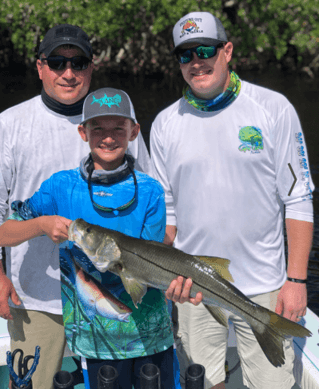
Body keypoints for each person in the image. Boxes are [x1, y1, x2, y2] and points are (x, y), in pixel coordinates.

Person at [150, 11, 314, 389]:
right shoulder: (164, 124)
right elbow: (168, 213)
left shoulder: (273, 109)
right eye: (185, 55)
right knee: (204, 382)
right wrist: (161, 270)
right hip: (192, 288)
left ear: (227, 51)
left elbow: (298, 200)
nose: (196, 62)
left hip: (266, 285)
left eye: (204, 50)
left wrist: (296, 280)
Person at [0, 24, 151, 389]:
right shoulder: (9, 125)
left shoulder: (118, 125)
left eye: (78, 62)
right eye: (57, 62)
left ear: (91, 67)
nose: (69, 73)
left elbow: (151, 200)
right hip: (36, 298)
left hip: (112, 294)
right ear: (40, 67)